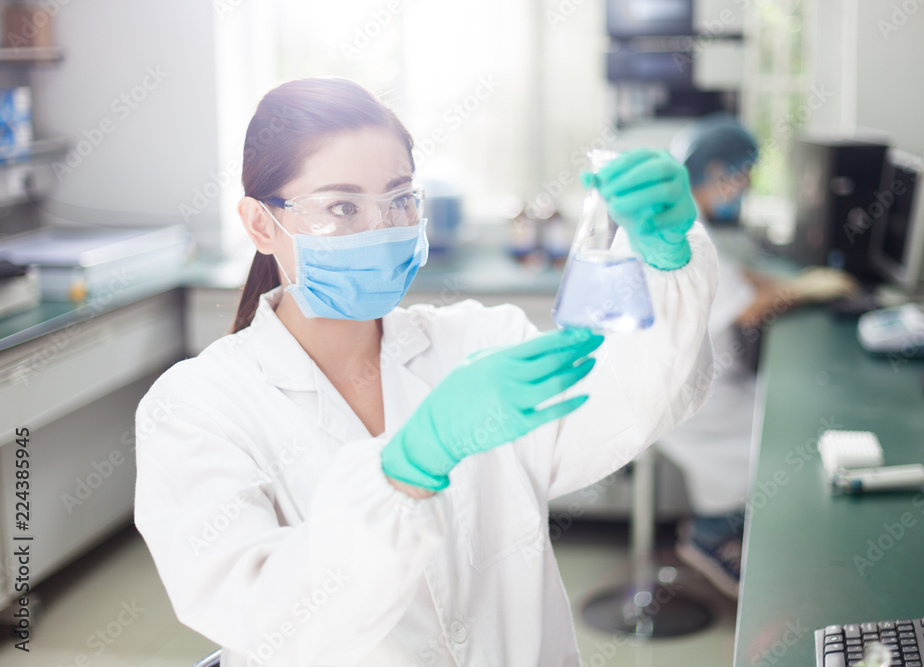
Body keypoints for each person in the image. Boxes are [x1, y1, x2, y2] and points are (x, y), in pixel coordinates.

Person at [133, 77, 719, 667]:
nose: (381, 227)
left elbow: (630, 401)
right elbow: (260, 612)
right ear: (262, 225)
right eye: (341, 206)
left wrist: (667, 257)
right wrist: (407, 468)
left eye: (398, 198)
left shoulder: (481, 343)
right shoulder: (197, 408)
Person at [655, 114, 857, 600]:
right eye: (743, 177)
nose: (743, 189)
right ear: (720, 170)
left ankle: (727, 530)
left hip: (693, 381)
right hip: (689, 399)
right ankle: (711, 535)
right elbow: (747, 308)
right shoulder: (685, 231)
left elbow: (737, 275)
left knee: (786, 422)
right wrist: (806, 290)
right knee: (787, 443)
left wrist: (791, 284)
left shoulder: (682, 216)